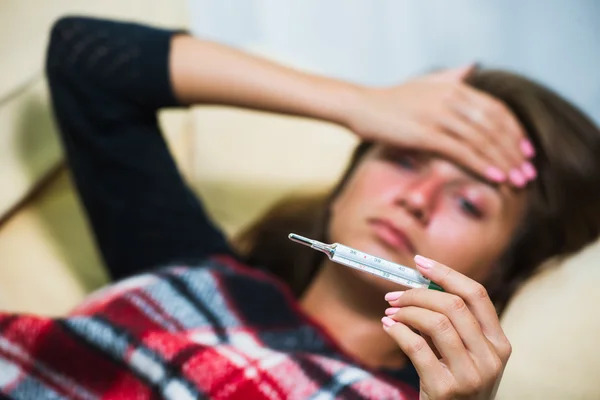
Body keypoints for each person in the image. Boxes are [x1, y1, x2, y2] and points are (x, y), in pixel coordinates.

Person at [0, 15, 598, 399]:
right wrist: (357, 102)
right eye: (405, 157)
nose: (415, 200)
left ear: (502, 269)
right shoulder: (195, 272)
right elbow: (86, 58)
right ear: (350, 173)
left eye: (468, 203)